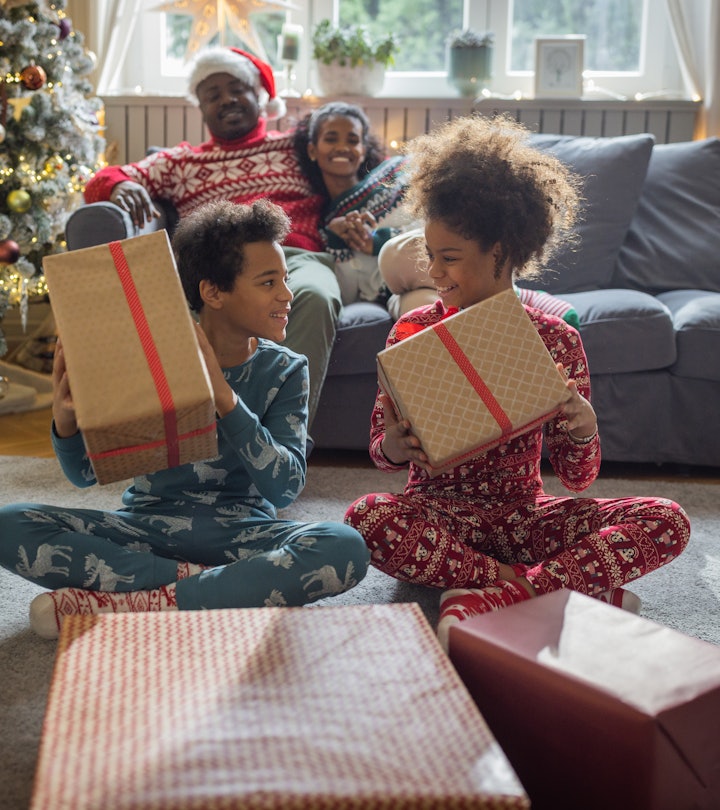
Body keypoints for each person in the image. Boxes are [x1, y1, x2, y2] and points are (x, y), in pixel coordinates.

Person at [343, 115, 691, 651]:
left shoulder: (556, 340)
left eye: (450, 258)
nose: (434, 273)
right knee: (365, 517)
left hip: (525, 516)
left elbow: (577, 479)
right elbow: (384, 456)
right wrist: (392, 445)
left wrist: (582, 430)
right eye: (429, 256)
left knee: (667, 519)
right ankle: (544, 587)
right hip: (440, 516)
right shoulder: (412, 330)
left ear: (502, 251)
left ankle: (495, 592)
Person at [0, 199, 369, 640]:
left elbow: (285, 485)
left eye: (285, 280)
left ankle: (135, 604)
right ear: (213, 292)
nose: (287, 295)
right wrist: (65, 424)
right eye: (268, 282)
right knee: (8, 522)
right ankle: (208, 590)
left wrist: (224, 397)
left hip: (245, 535)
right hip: (146, 531)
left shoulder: (287, 369)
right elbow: (82, 476)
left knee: (344, 546)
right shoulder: (153, 357)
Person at [84, 46, 340, 430]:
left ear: (260, 95)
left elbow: (354, 160)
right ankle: (196, 436)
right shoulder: (181, 163)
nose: (227, 99)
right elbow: (99, 181)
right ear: (201, 108)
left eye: (236, 88)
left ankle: (285, 442)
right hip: (218, 269)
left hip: (292, 259)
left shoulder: (294, 148)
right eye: (212, 94)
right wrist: (119, 185)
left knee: (317, 295)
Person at [292, 101, 426, 313]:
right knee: (421, 312)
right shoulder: (329, 224)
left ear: (363, 150)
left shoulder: (396, 170)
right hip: (399, 294)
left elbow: (434, 220)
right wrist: (338, 242)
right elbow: (350, 296)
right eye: (331, 139)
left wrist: (378, 241)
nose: (343, 147)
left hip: (433, 264)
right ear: (312, 150)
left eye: (352, 140)